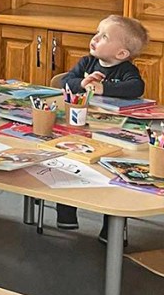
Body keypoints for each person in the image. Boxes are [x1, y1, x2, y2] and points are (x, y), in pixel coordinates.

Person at [57, 15, 149, 237]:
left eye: (104, 36)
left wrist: (103, 88)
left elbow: (136, 88)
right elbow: (64, 81)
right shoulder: (87, 62)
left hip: (113, 131)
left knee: (112, 172)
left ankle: (112, 227)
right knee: (70, 162)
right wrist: (82, 83)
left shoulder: (126, 70)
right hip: (82, 125)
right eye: (97, 32)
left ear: (121, 54)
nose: (95, 38)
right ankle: (66, 210)